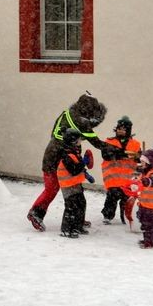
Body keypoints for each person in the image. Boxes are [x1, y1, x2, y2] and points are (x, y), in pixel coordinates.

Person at [27, 92, 107, 232]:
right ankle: (36, 213)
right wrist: (117, 150)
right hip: (54, 159)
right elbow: (98, 143)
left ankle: (77, 219)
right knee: (54, 189)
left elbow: (56, 134)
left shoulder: (67, 114)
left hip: (58, 156)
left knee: (75, 191)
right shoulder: (81, 122)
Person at [100, 116, 142, 224]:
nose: (121, 131)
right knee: (112, 195)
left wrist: (138, 158)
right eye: (119, 128)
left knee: (126, 198)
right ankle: (108, 215)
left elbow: (139, 159)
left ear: (128, 131)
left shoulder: (135, 144)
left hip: (128, 178)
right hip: (113, 177)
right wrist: (122, 154)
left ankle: (125, 216)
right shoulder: (109, 141)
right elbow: (106, 155)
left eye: (124, 129)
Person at [56, 129, 96, 238]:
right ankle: (66, 229)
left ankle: (78, 226)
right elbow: (74, 170)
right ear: (73, 141)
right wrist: (84, 162)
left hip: (76, 185)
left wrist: (86, 175)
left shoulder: (75, 153)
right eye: (79, 140)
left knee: (81, 204)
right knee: (71, 207)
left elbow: (79, 167)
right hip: (68, 186)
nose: (80, 142)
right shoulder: (66, 155)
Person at [136, 149, 153, 249]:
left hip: (152, 205)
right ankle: (147, 239)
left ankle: (150, 242)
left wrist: (143, 180)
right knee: (144, 222)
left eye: (143, 162)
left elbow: (151, 182)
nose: (141, 163)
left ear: (149, 163)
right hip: (145, 204)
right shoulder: (147, 172)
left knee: (149, 225)